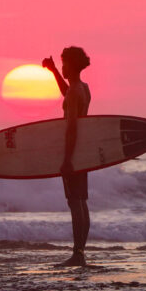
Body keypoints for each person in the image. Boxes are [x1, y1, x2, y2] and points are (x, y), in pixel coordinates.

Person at [42, 46, 91, 267]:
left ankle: (77, 255)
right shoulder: (83, 88)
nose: (62, 67)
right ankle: (80, 252)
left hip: (74, 153)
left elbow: (71, 127)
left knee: (75, 203)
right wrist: (53, 71)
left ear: (70, 65)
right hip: (84, 152)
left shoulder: (74, 92)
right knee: (81, 202)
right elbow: (67, 94)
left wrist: (67, 160)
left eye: (62, 63)